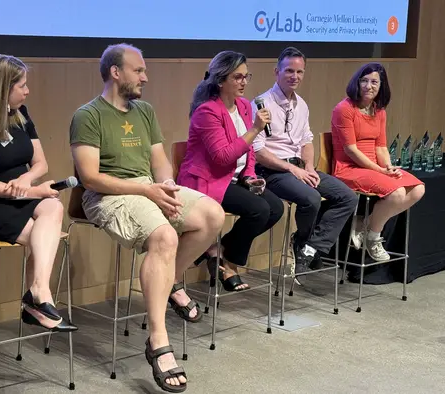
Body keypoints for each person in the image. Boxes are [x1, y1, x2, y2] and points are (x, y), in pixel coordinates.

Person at [70, 43, 225, 392]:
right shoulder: (88, 115)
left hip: (148, 187)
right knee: (165, 238)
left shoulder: (145, 111)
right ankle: (157, 340)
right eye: (138, 70)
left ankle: (167, 283)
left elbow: (159, 163)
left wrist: (167, 186)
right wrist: (146, 192)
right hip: (108, 196)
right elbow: (90, 178)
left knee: (212, 216)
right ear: (115, 72)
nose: (145, 76)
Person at [0, 54, 77, 333]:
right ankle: (37, 302)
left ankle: (38, 293)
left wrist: (26, 179)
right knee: (44, 230)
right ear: (2, 89)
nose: (27, 91)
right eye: (21, 85)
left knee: (53, 208)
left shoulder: (21, 116)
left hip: (19, 198)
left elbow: (41, 163)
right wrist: (33, 191)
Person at [178, 50, 284, 291]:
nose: (244, 82)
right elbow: (222, 156)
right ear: (220, 80)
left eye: (246, 76)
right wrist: (255, 129)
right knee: (259, 210)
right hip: (208, 180)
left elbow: (250, 151)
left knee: (275, 208)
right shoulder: (207, 111)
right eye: (237, 77)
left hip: (235, 178)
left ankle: (218, 251)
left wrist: (249, 175)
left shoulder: (245, 106)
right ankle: (225, 261)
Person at [253, 47, 358, 273]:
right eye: (289, 71)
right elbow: (258, 152)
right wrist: (292, 169)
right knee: (311, 198)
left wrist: (309, 166)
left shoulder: (302, 104)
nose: (295, 77)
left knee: (347, 197)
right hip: (272, 171)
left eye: (300, 72)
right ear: (276, 72)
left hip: (300, 168)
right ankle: (301, 241)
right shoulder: (262, 104)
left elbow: (306, 141)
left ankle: (310, 248)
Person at [331, 63, 425, 261]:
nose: (368, 86)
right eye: (364, 81)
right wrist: (381, 171)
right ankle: (373, 236)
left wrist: (388, 166)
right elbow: (351, 150)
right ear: (357, 83)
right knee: (397, 192)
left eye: (374, 82)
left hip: (375, 167)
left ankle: (363, 225)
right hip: (349, 168)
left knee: (418, 189)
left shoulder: (379, 110)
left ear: (382, 86)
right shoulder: (344, 108)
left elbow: (381, 146)